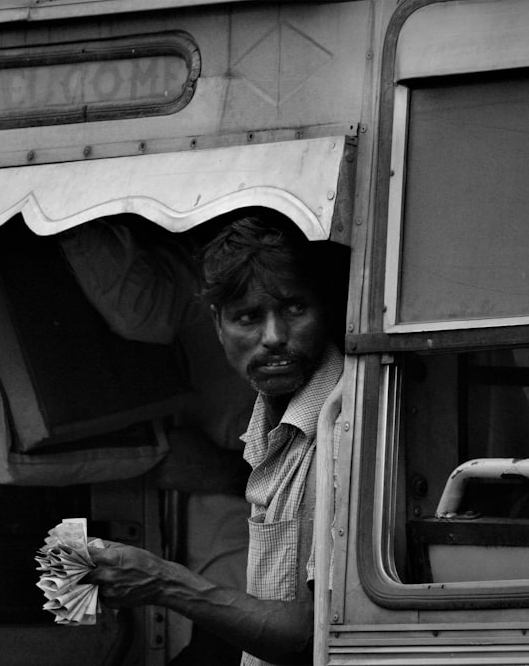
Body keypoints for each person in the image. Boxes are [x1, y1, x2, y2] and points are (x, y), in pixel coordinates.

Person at [82, 212, 346, 666]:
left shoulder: (340, 428)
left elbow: (305, 636)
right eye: (248, 317)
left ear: (324, 309)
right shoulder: (270, 427)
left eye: (294, 309)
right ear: (218, 324)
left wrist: (163, 582)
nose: (274, 337)